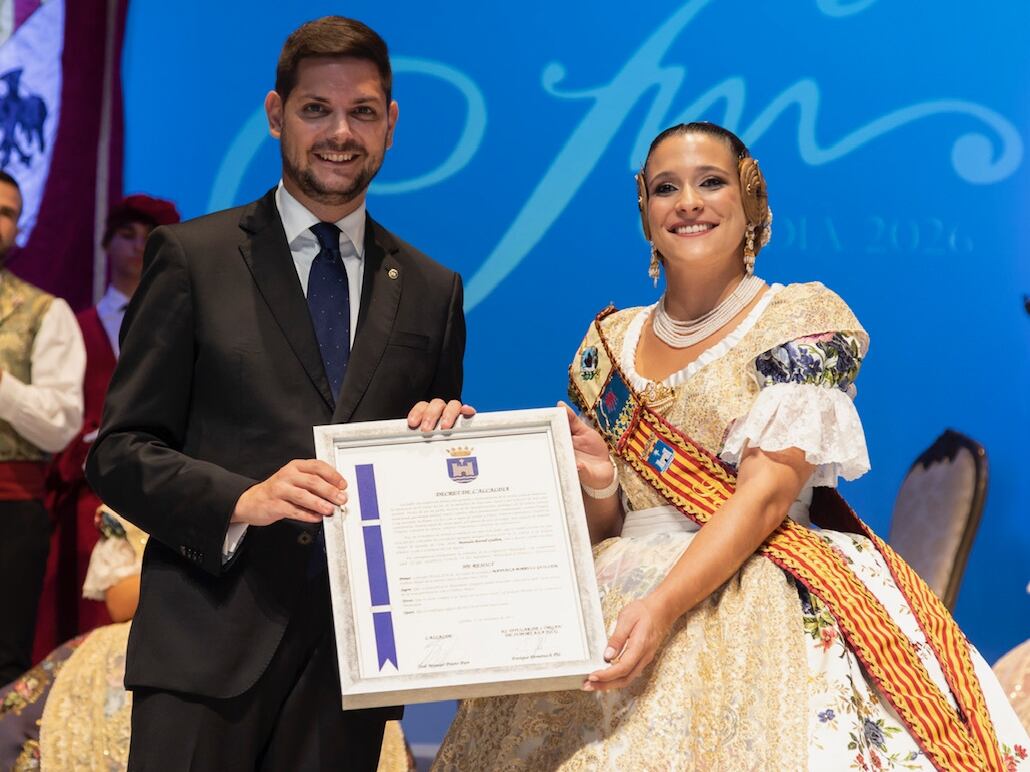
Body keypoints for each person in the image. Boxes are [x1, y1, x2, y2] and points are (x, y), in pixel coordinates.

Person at [434, 123, 1029, 770]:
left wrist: (660, 608)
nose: (688, 201)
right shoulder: (605, 344)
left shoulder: (799, 319)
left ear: (750, 202)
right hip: (616, 593)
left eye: (710, 182)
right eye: (666, 188)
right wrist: (602, 481)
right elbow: (607, 527)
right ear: (645, 211)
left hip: (755, 588)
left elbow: (765, 501)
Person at [85, 16, 470, 771]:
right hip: (203, 650)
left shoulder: (432, 290)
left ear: (390, 126)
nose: (340, 133)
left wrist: (445, 439)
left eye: (362, 112)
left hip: (348, 668)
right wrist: (240, 499)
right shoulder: (192, 258)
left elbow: (420, 476)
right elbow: (120, 453)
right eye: (315, 110)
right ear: (274, 115)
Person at [36, 194, 180, 658]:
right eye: (126, 235)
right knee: (84, 621)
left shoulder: (187, 330)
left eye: (150, 238)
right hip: (88, 500)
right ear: (105, 243)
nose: (138, 247)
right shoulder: (71, 328)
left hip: (165, 496)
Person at [0, 171, 85, 685]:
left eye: (6, 212)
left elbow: (60, 425)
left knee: (4, 659)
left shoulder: (43, 312)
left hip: (10, 510)